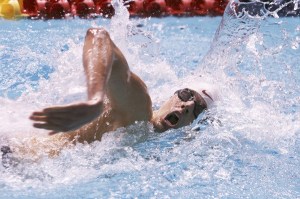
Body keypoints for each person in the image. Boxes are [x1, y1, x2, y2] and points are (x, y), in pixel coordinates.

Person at [29, 27, 214, 145]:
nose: (188, 105)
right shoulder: (139, 107)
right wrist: (95, 100)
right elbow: (99, 37)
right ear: (172, 95)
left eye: (199, 108)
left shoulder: (151, 141)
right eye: (186, 94)